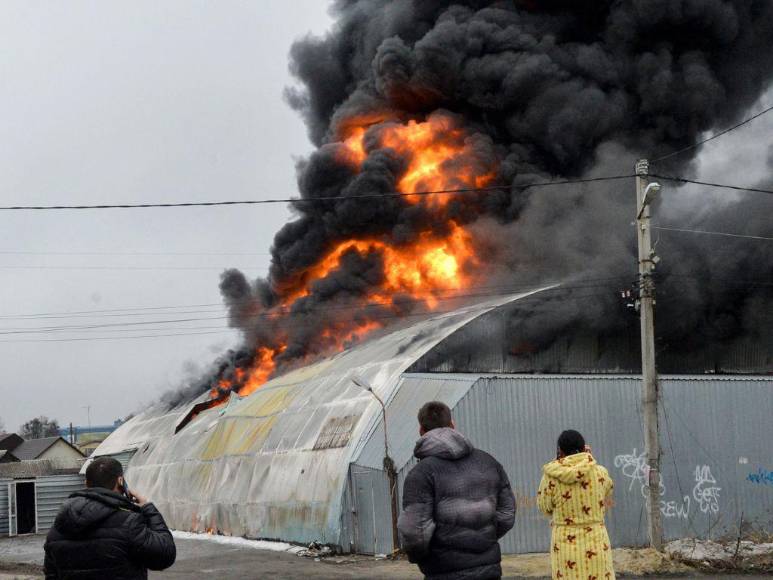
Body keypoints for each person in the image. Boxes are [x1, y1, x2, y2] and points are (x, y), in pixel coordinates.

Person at [398, 401, 516, 580]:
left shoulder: (421, 474)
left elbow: (415, 532)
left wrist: (421, 557)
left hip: (443, 571)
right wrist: (482, 538)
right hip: (490, 570)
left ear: (421, 430)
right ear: (453, 425)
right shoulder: (489, 462)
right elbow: (507, 514)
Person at [44, 456, 176, 579]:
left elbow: (51, 575)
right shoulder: (129, 523)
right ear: (120, 481)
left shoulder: (58, 527)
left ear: (86, 483)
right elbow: (165, 555)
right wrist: (148, 508)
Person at [537, 430, 615, 580]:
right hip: (596, 542)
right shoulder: (600, 473)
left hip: (565, 547)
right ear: (584, 448)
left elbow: (544, 507)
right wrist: (589, 459)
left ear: (560, 451)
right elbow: (608, 490)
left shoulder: (551, 477)